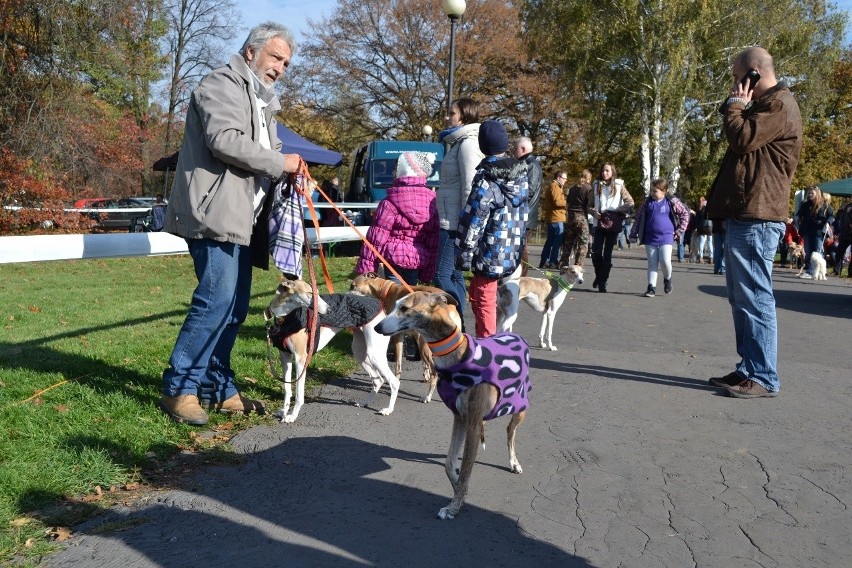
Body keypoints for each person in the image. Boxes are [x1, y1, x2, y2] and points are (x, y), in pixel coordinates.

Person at [159, 22, 302, 425]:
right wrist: (280, 162)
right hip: (213, 213)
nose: (280, 68)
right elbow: (225, 139)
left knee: (235, 307)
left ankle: (218, 387)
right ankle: (179, 387)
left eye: (286, 63)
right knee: (215, 301)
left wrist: (288, 168)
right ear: (251, 51)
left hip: (244, 219)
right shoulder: (219, 83)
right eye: (276, 57)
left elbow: (267, 151)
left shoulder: (263, 101)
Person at [706, 46, 802, 399]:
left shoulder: (778, 105)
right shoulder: (765, 105)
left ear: (754, 75)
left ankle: (763, 376)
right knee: (742, 297)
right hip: (747, 212)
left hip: (758, 215)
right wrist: (738, 107)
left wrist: (735, 106)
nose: (734, 84)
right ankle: (749, 367)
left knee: (756, 297)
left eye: (737, 76)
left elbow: (742, 139)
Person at [456, 120, 528, 338]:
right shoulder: (520, 177)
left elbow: (474, 220)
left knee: (483, 299)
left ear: (482, 146)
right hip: (510, 250)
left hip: (489, 250)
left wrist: (464, 255)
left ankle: (487, 350)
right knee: (489, 298)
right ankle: (491, 342)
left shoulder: (487, 179)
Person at [355, 151, 439, 285]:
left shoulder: (390, 202)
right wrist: (428, 272)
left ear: (402, 170)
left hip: (393, 257)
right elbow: (432, 241)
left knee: (393, 294)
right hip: (417, 258)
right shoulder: (432, 203)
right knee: (408, 295)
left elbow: (376, 239)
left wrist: (367, 267)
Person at [435, 98, 484, 324]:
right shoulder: (458, 142)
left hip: (454, 222)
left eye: (451, 113)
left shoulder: (468, 144)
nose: (447, 117)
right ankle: (460, 324)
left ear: (463, 117)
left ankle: (457, 323)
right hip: (450, 217)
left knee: (441, 274)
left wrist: (467, 225)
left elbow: (470, 187)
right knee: (454, 274)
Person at [629, 178, 689, 297]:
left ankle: (667, 278)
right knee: (652, 263)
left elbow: (685, 214)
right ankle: (651, 287)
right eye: (651, 191)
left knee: (665, 261)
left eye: (655, 191)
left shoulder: (671, 201)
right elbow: (639, 217)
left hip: (667, 236)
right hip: (650, 237)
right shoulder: (647, 202)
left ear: (664, 191)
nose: (652, 193)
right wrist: (633, 233)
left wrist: (680, 230)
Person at [590, 162, 634, 293]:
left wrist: (619, 210)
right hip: (599, 223)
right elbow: (589, 205)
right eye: (603, 171)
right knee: (595, 253)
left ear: (612, 172)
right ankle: (599, 276)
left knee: (607, 254)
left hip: (613, 224)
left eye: (607, 171)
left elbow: (630, 202)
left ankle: (603, 281)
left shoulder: (619, 185)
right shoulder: (596, 185)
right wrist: (593, 212)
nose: (605, 173)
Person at [514, 137, 543, 276]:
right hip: (525, 212)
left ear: (523, 149)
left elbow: (529, 190)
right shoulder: (528, 163)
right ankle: (518, 275)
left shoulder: (532, 165)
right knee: (519, 246)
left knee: (522, 247)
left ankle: (522, 276)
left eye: (515, 149)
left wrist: (513, 197)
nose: (514, 153)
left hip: (526, 213)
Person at [794, 185, 834, 279]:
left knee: (817, 252)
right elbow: (798, 214)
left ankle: (819, 272)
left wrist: (828, 222)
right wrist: (796, 219)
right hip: (807, 230)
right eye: (809, 193)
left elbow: (831, 216)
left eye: (812, 193)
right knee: (808, 252)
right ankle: (810, 271)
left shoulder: (824, 205)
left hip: (819, 231)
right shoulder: (805, 204)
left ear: (817, 194)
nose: (810, 195)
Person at [559, 169, 593, 268]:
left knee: (568, 242)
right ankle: (578, 264)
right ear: (588, 178)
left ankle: (563, 263)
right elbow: (589, 204)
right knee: (583, 243)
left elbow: (568, 202)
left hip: (570, 216)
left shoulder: (573, 188)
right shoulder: (588, 189)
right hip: (581, 216)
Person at [539, 171, 567, 269]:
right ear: (559, 177)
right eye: (564, 178)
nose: (565, 181)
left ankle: (544, 260)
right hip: (557, 218)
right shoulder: (555, 186)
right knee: (556, 242)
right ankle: (552, 261)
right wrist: (567, 202)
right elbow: (557, 202)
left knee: (550, 241)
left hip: (552, 218)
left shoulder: (555, 186)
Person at [833, 201, 852, 276]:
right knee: (839, 251)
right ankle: (837, 271)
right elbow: (843, 219)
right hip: (845, 234)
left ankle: (850, 273)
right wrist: (841, 231)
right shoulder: (848, 207)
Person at [694, 196, 714, 263]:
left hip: (702, 226)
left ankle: (700, 257)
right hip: (710, 226)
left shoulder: (700, 208)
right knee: (710, 242)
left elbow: (697, 219)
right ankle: (711, 257)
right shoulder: (711, 207)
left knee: (701, 242)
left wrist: (696, 227)